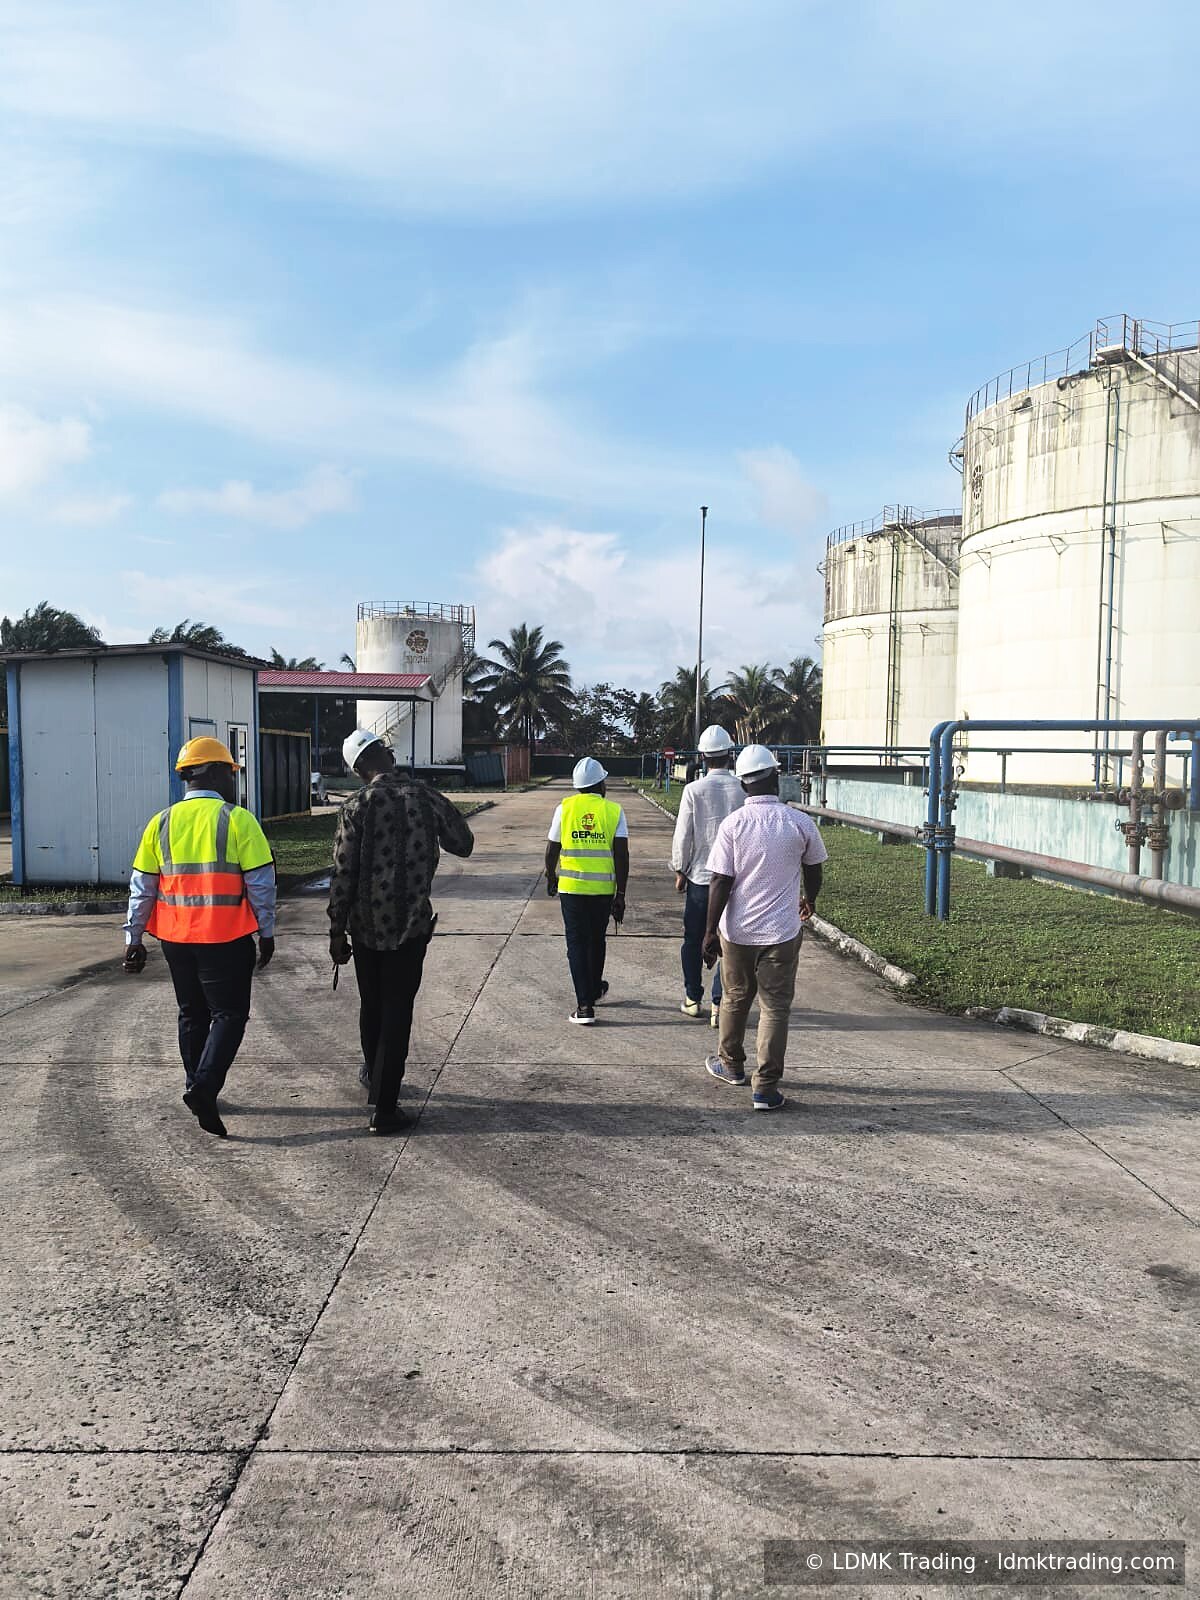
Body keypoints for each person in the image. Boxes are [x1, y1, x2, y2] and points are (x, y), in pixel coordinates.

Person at [122, 736, 277, 1139]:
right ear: (215, 771)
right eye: (230, 771)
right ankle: (205, 1088)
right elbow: (260, 884)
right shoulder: (238, 819)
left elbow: (143, 888)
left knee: (192, 1012)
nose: (233, 779)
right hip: (225, 937)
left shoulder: (160, 823)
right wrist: (267, 931)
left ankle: (195, 1084)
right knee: (229, 1014)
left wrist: (134, 937)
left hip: (175, 940)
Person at [328, 730, 474, 1135]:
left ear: (359, 769)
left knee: (372, 1005)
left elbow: (342, 871)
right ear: (383, 757)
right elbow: (463, 843)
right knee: (397, 1011)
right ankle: (386, 1106)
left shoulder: (356, 805)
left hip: (365, 926)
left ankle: (375, 1078)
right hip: (410, 928)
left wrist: (336, 930)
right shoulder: (424, 796)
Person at [701, 744, 827, 1111]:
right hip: (782, 933)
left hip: (737, 932)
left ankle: (731, 1065)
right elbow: (815, 867)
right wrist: (810, 898)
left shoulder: (734, 825)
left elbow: (720, 881)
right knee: (775, 1008)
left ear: (743, 785)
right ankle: (766, 1089)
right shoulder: (799, 822)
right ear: (776, 777)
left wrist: (710, 932)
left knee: (736, 997)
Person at [545, 757, 630, 1024]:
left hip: (571, 889)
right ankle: (591, 992)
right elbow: (622, 855)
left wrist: (551, 875)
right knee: (596, 940)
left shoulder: (564, 808)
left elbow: (552, 848)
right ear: (600, 784)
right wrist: (621, 894)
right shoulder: (614, 811)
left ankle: (585, 1004)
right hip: (602, 890)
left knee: (577, 944)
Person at [670, 724, 743, 1025]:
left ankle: (691, 997)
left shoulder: (693, 790)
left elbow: (683, 834)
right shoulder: (742, 788)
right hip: (736, 879)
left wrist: (680, 869)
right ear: (730, 754)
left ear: (702, 757)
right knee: (727, 941)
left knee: (693, 938)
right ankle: (718, 1004)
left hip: (701, 877)